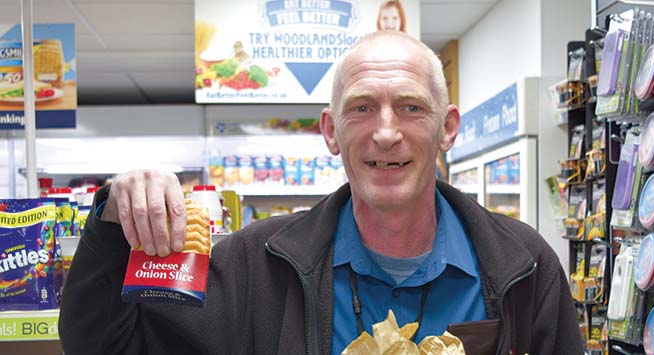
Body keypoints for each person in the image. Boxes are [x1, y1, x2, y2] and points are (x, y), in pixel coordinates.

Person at [58, 31, 583, 355]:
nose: (385, 132)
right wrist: (113, 224)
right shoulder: (252, 266)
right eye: (361, 108)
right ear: (330, 131)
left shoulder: (523, 264)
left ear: (447, 128)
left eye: (410, 107)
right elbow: (105, 344)